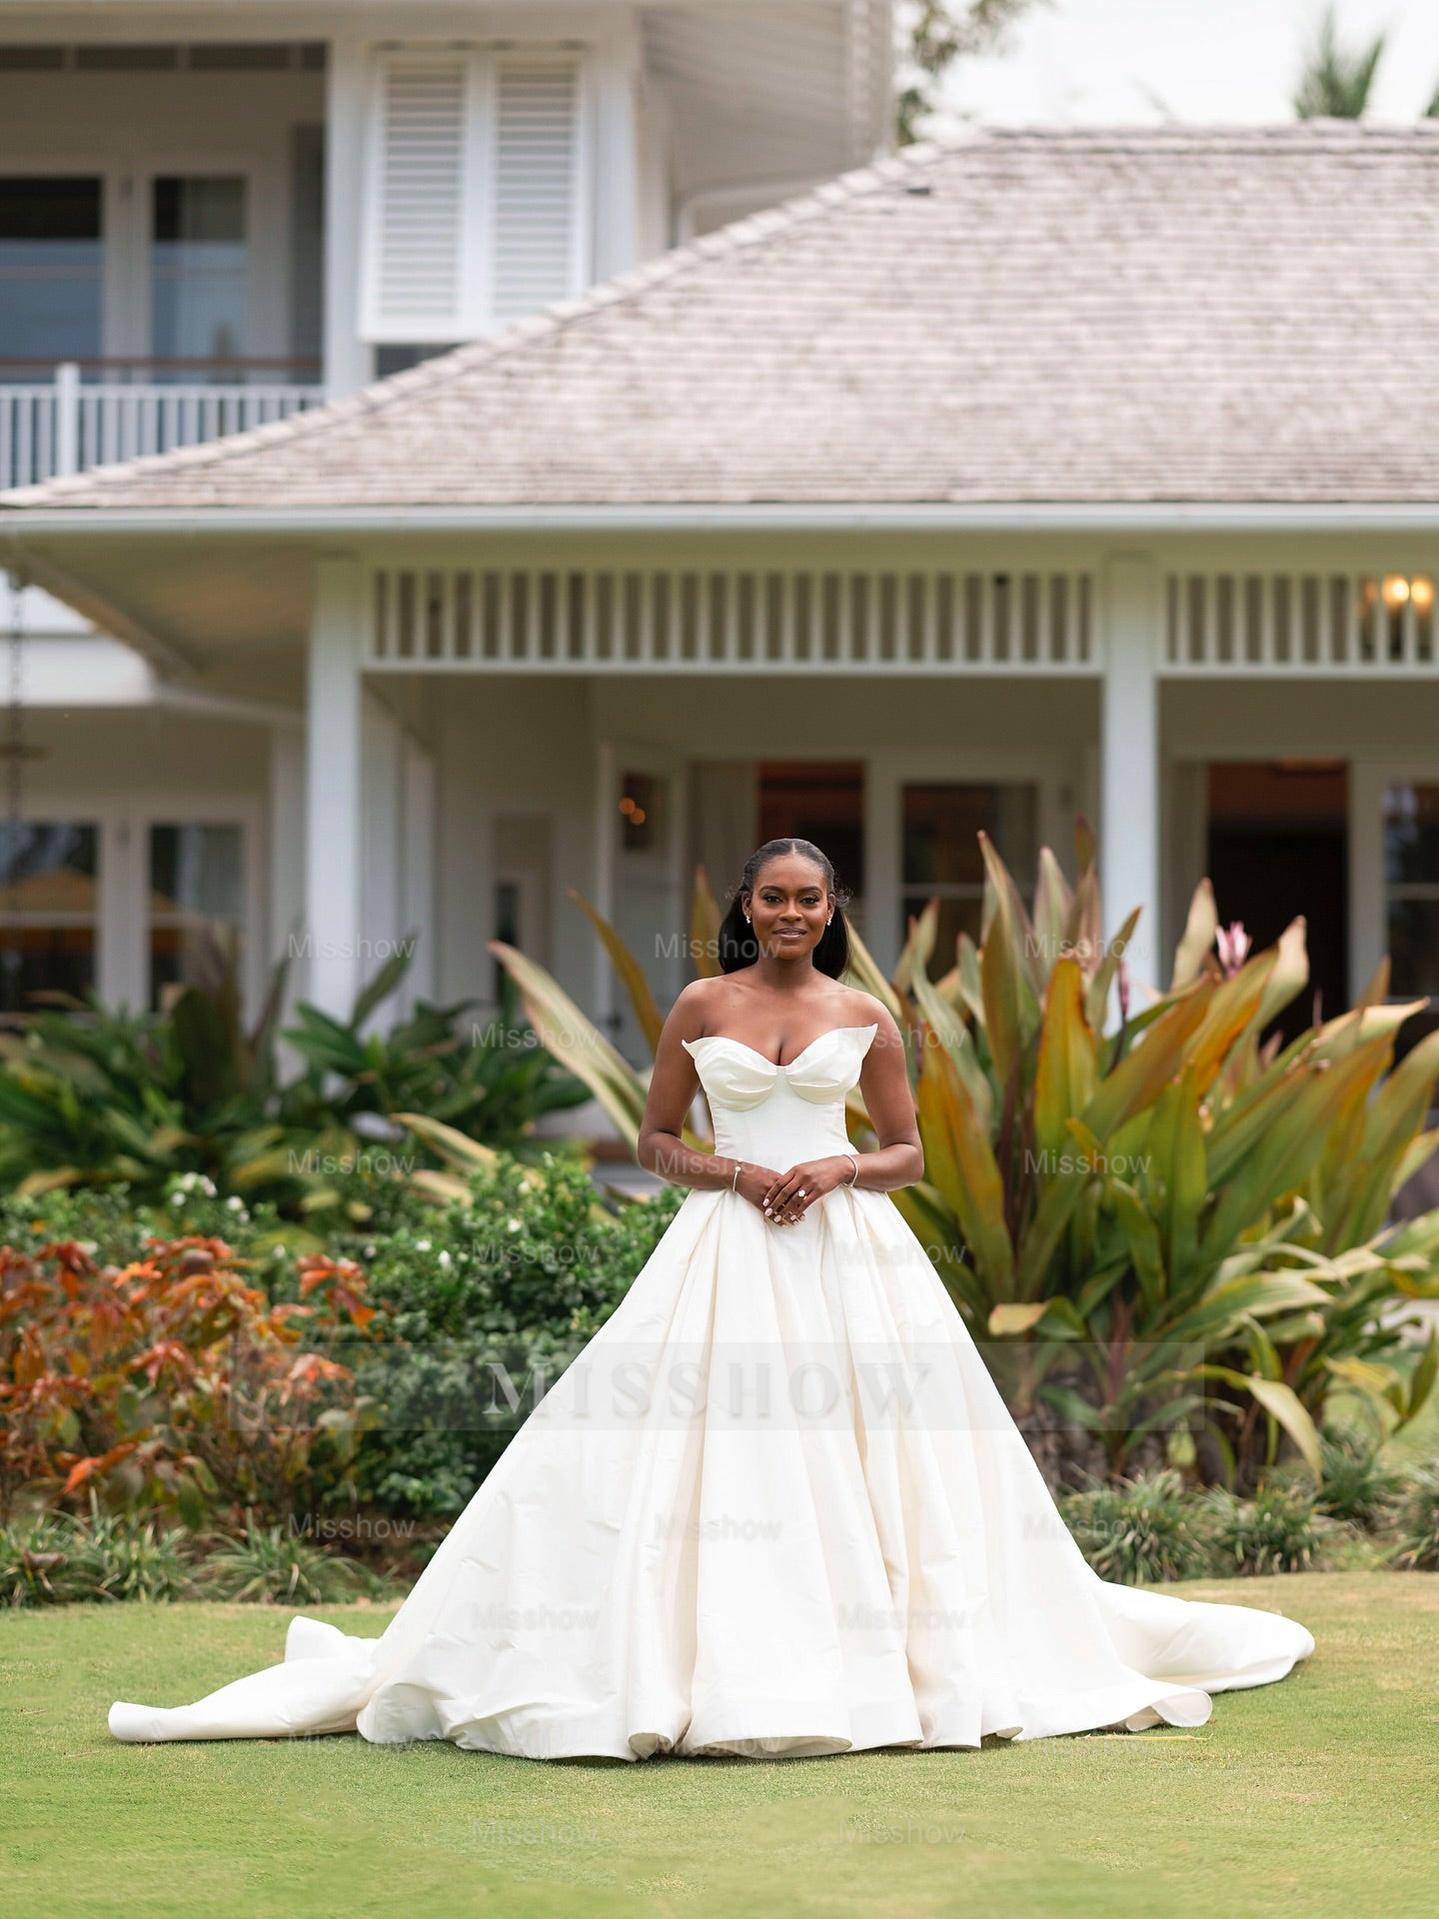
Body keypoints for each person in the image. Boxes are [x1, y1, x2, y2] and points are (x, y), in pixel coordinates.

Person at [108, 837, 1313, 1758]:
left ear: (831, 910)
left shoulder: (863, 1015)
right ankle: (672, 1660)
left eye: (810, 897)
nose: (790, 912)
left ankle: (890, 1662)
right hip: (720, 1250)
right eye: (771, 896)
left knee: (872, 1453)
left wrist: (835, 1166)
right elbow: (650, 1137)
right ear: (744, 907)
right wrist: (737, 1170)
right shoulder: (701, 1006)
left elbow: (906, 1153)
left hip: (848, 1258)